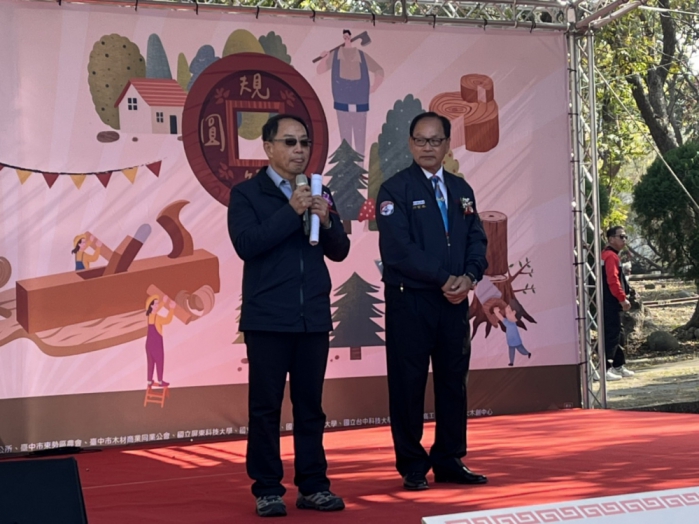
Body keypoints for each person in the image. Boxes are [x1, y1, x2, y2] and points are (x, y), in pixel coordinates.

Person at [228, 114, 350, 517]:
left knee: (310, 407)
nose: (299, 150)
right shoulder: (247, 194)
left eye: (304, 142)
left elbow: (339, 250)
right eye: (290, 142)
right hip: (267, 319)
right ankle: (267, 489)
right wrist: (290, 211)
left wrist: (327, 220)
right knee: (265, 408)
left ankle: (313, 486)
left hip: (312, 316)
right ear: (268, 147)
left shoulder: (319, 190)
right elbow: (247, 244)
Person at [376, 112, 488, 491]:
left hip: (454, 302)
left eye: (435, 140)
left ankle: (449, 459)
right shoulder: (395, 190)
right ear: (410, 144)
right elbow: (398, 250)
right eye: (420, 140)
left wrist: (469, 276)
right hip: (410, 301)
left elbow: (476, 239)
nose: (428, 147)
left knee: (453, 382)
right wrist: (444, 278)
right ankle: (411, 464)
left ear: (447, 144)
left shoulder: (461, 189)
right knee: (408, 384)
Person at [316, 29, 384, 159]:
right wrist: (324, 59)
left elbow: (379, 70)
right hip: (342, 102)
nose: (346, 38)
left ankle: (360, 166)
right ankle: (346, 166)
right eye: (344, 36)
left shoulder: (362, 56)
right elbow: (320, 70)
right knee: (345, 139)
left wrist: (374, 87)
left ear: (352, 37)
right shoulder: (334, 55)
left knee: (360, 138)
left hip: (360, 102)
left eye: (348, 36)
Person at [601, 226, 635, 381]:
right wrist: (622, 298)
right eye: (621, 236)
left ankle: (618, 364)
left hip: (611, 300)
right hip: (610, 300)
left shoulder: (611, 255)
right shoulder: (610, 256)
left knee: (618, 333)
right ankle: (605, 368)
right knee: (612, 333)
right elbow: (612, 280)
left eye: (625, 236)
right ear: (611, 239)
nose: (624, 239)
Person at [144, 294, 175, 388]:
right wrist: (172, 309)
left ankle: (149, 381)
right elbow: (167, 320)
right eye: (155, 304)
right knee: (159, 361)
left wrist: (163, 302)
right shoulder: (157, 318)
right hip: (156, 344)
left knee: (150, 363)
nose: (157, 305)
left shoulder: (149, 315)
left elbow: (155, 309)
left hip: (148, 344)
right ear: (151, 306)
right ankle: (160, 381)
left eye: (158, 303)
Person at [493, 301, 532, 366]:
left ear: (514, 313)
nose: (506, 314)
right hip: (511, 341)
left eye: (508, 312)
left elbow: (501, 318)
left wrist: (496, 312)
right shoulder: (509, 322)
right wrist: (497, 312)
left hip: (516, 341)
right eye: (506, 313)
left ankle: (527, 353)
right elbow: (502, 318)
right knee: (513, 351)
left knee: (520, 349)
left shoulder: (510, 324)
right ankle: (512, 362)